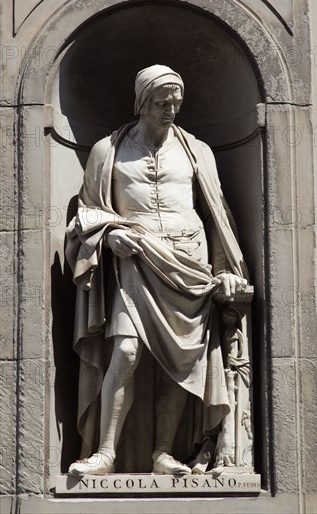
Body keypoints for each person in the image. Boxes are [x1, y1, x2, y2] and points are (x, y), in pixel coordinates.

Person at [66, 64, 248, 476]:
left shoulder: (196, 150)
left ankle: (164, 453)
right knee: (126, 350)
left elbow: (218, 214)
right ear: (142, 102)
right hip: (137, 257)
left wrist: (225, 269)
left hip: (190, 263)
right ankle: (105, 452)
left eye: (176, 103)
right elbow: (88, 211)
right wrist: (108, 235)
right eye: (162, 103)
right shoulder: (107, 150)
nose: (170, 110)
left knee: (183, 360)